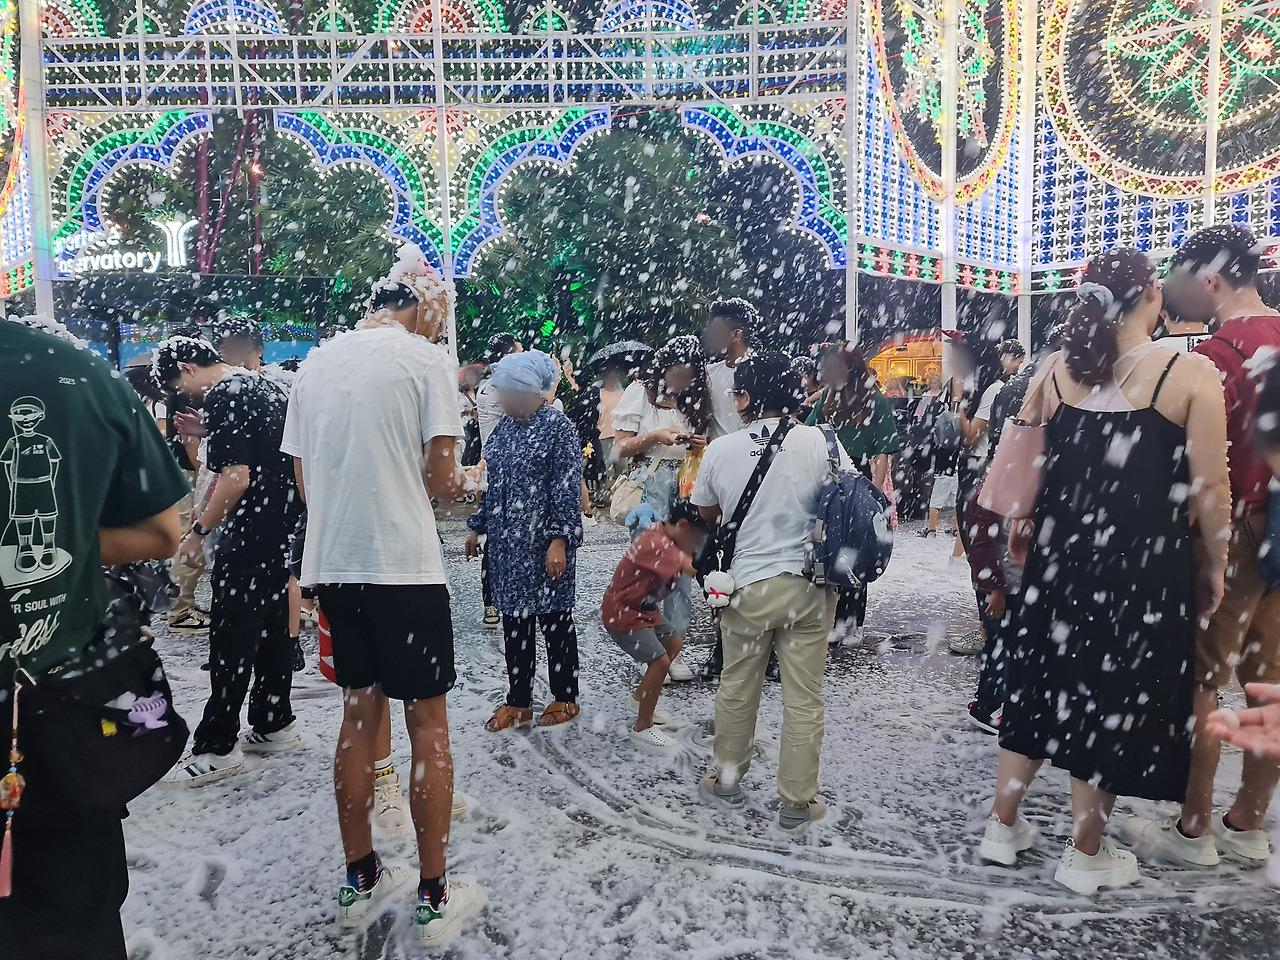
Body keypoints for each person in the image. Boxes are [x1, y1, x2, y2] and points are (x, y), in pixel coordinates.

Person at [979, 249, 1230, 896]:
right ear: (1151, 295)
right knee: (1108, 696)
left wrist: (1024, 528)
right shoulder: (1189, 373)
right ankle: (1086, 852)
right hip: (1141, 567)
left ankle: (1001, 825)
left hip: (1060, 555)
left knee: (1040, 682)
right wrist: (1215, 563)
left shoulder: (1059, 370)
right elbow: (1211, 489)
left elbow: (1032, 465)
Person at [282, 253, 483, 944]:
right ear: (423, 307)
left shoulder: (315, 364)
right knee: (428, 725)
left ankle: (360, 877)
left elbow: (304, 484)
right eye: (439, 320)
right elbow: (443, 480)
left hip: (334, 565)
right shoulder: (425, 362)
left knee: (357, 717)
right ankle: (433, 896)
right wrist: (473, 479)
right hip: (403, 564)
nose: (439, 332)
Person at [0, 319, 187, 960]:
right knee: (71, 916)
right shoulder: (72, 371)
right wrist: (68, 542)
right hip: (50, 717)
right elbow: (162, 532)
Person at [1125, 224, 1280, 868]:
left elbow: (1199, 468)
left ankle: (1195, 828)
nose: (1170, 290)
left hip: (1235, 531)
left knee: (1203, 680)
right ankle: (1249, 821)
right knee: (1270, 680)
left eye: (1180, 278)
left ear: (1211, 280)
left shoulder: (1216, 356)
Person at [691, 350, 855, 836]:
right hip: (809, 586)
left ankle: (727, 782)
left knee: (738, 686)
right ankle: (797, 804)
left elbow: (706, 514)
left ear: (744, 398)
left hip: (746, 588)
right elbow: (848, 502)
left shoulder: (721, 449)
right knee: (804, 698)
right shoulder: (825, 442)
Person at [154, 338, 304, 785]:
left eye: (178, 386)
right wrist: (208, 432)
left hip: (248, 533)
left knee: (232, 639)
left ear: (187, 367)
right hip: (281, 526)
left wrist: (199, 531)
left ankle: (217, 746)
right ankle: (273, 720)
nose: (184, 395)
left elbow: (237, 477)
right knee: (273, 629)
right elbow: (269, 451)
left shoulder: (226, 393)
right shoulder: (266, 386)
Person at [466, 351, 584, 731]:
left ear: (530, 392)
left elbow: (566, 489)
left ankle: (566, 696)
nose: (502, 400)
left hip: (544, 545)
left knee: (555, 622)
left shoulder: (558, 428)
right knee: (514, 625)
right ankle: (519, 701)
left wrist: (559, 540)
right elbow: (493, 485)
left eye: (508, 392)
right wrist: (477, 526)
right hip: (507, 547)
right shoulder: (503, 430)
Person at [611, 335, 713, 683]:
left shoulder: (694, 401)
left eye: (688, 376)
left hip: (685, 488)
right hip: (649, 488)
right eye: (677, 373)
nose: (681, 381)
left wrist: (700, 444)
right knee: (650, 574)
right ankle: (649, 652)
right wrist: (656, 437)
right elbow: (619, 447)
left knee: (680, 575)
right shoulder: (640, 393)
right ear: (663, 367)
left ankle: (673, 651)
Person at [806, 344, 901, 646]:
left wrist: (875, 495)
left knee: (854, 550)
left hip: (858, 480)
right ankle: (833, 618)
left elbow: (883, 452)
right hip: (829, 478)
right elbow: (808, 433)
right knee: (830, 548)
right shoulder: (828, 398)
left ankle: (852, 621)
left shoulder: (875, 401)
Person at [601, 498, 711, 748]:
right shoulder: (658, 544)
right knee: (659, 662)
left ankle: (640, 698)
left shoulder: (664, 533)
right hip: (623, 613)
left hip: (643, 610)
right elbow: (692, 568)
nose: (696, 544)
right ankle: (643, 727)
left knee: (674, 643)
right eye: (696, 538)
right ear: (683, 526)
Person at [474, 333, 523, 630]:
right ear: (507, 356)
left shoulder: (491, 384)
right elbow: (531, 414)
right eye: (519, 352)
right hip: (500, 472)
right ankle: (493, 601)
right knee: (497, 540)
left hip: (499, 472)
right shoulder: (499, 388)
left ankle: (495, 601)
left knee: (501, 538)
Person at [703, 298, 757, 440]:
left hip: (753, 451)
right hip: (715, 452)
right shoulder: (708, 373)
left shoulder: (763, 375)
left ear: (736, 335)